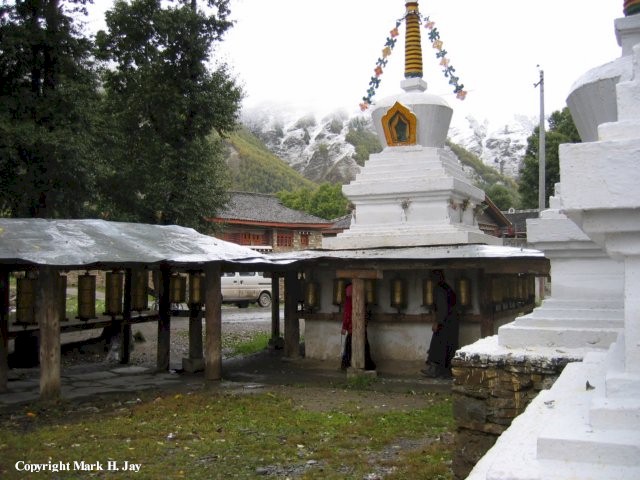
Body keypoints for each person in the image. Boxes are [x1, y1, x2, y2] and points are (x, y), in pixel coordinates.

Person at [422, 270, 459, 379]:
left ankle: (435, 370)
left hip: (445, 321)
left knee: (437, 346)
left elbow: (442, 308)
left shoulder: (440, 289)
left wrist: (437, 322)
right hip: (452, 322)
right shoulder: (447, 288)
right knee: (448, 346)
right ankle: (445, 371)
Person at [341, 283, 376, 371]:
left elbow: (347, 315)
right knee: (364, 345)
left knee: (349, 346)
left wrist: (344, 327)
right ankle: (367, 365)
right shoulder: (361, 299)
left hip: (352, 328)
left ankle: (347, 364)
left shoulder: (349, 301)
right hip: (361, 327)